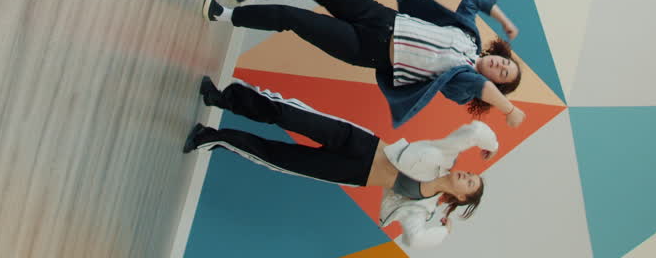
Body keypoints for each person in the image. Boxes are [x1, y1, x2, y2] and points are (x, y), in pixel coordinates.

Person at [184, 77, 497, 249]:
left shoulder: (423, 207)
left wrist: (443, 232)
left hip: (351, 172)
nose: (466, 175)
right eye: (471, 174)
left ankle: (208, 137)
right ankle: (220, 98)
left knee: (275, 156)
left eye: (470, 182)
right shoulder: (445, 155)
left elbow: (413, 238)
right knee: (287, 113)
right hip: (360, 143)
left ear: (460, 197)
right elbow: (475, 131)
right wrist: (492, 146)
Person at [201, 0, 525, 127]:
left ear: (494, 86)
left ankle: (225, 15)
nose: (500, 67)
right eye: (505, 63)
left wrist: (509, 110)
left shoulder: (462, 86)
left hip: (365, 48)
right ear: (499, 55)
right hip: (378, 16)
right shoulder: (470, 37)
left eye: (503, 75)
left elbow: (481, 88)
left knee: (292, 19)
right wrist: (505, 20)